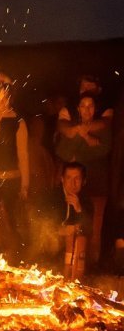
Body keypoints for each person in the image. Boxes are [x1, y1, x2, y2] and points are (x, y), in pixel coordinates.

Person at [55, 92, 111, 265]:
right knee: (69, 225)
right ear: (78, 109)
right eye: (83, 106)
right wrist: (80, 133)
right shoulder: (71, 127)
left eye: (91, 106)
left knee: (93, 230)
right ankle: (63, 264)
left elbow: (101, 149)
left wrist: (84, 134)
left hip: (95, 186)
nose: (87, 110)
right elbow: (63, 152)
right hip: (74, 183)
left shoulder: (103, 129)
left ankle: (90, 267)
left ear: (95, 109)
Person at [0, 75, 29, 260]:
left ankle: (14, 261)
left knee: (10, 224)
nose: (1, 97)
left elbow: (23, 155)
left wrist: (25, 185)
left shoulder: (18, 122)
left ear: (10, 96)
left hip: (10, 183)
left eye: (4, 93)